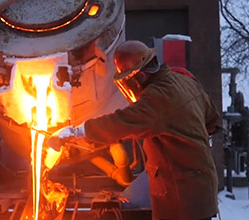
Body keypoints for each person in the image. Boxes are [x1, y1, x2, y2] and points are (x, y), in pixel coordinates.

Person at [47, 40, 220, 220]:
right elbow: (212, 121)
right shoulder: (182, 80)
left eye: (127, 79)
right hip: (200, 188)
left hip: (182, 199)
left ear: (140, 76)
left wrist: (76, 132)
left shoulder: (158, 97)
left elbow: (121, 122)